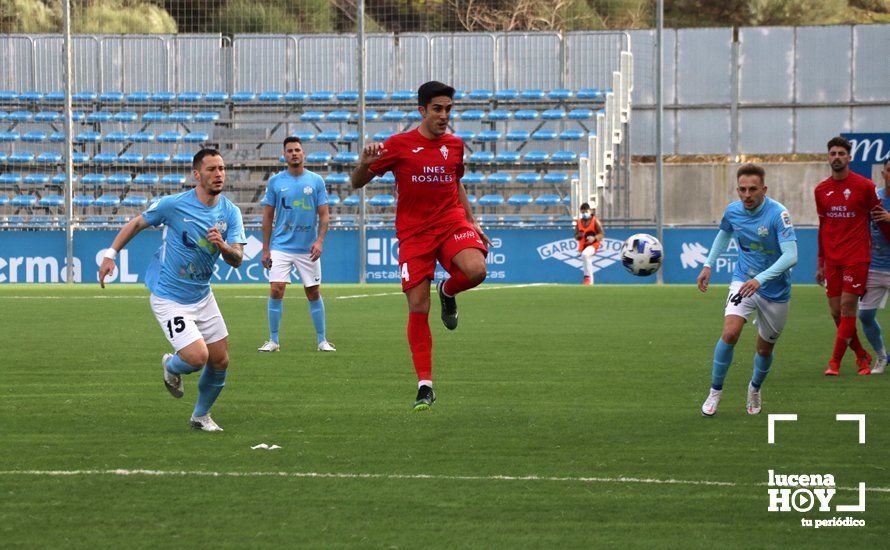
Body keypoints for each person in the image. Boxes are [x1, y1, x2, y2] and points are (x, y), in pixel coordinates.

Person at [350, 80, 491, 411]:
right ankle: (425, 385)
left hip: (450, 222)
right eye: (438, 109)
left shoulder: (455, 145)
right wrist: (364, 162)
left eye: (448, 109)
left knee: (476, 270)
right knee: (418, 306)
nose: (444, 116)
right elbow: (357, 183)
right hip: (414, 234)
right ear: (422, 111)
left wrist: (471, 220)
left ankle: (448, 291)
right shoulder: (398, 145)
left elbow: (455, 182)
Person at [99, 148, 246, 432]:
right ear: (197, 174)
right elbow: (138, 223)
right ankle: (171, 365)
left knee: (221, 359)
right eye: (212, 169)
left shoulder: (230, 212)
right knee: (196, 358)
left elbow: (237, 259)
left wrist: (223, 245)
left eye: (222, 169)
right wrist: (110, 255)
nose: (218, 174)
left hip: (202, 295)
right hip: (169, 297)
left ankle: (201, 417)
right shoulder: (175, 205)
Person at [697, 164, 798, 416]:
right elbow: (723, 234)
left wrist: (761, 280)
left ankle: (754, 388)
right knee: (730, 333)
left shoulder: (778, 214)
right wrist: (708, 265)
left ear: (764, 189)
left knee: (764, 349)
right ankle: (715, 392)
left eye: (753, 189)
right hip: (743, 280)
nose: (747, 195)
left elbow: (791, 255)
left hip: (775, 290)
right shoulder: (733, 211)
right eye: (742, 189)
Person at [815, 136, 890, 376]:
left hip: (857, 257)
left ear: (849, 157)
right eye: (833, 153)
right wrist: (821, 263)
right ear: (829, 157)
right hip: (833, 260)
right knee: (837, 312)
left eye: (841, 153)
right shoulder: (821, 190)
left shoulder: (865, 186)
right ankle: (861, 355)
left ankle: (834, 362)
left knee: (848, 308)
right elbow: (823, 227)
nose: (837, 157)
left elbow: (880, 219)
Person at [257, 136, 335, 353]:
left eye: (297, 150)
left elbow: (325, 215)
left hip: (307, 248)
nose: (294, 153)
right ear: (284, 155)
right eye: (289, 150)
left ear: (303, 154)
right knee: (276, 289)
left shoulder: (316, 181)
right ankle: (273, 341)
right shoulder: (275, 182)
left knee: (313, 292)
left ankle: (322, 340)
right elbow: (267, 217)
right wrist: (265, 249)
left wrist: (319, 241)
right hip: (281, 246)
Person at [858, 159, 890, 374]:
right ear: (883, 173)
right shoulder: (874, 198)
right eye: (889, 171)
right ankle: (881, 356)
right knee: (865, 316)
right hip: (874, 267)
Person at [575, 202, 605, 285]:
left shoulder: (595, 221)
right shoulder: (579, 222)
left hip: (593, 245)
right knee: (587, 260)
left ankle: (586, 277)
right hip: (583, 245)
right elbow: (576, 236)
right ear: (581, 212)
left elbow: (602, 234)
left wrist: (594, 238)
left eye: (586, 211)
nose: (585, 214)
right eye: (583, 212)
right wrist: (579, 235)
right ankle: (590, 283)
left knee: (585, 255)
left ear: (590, 211)